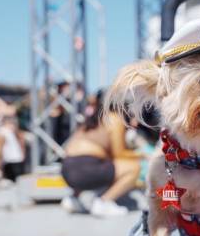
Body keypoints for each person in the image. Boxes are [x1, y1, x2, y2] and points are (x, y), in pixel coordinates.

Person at [60, 90, 141, 218]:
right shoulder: (114, 118)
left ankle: (73, 199)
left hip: (66, 169)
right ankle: (103, 202)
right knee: (133, 167)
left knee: (102, 163)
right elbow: (119, 154)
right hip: (86, 168)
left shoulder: (90, 121)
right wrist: (141, 155)